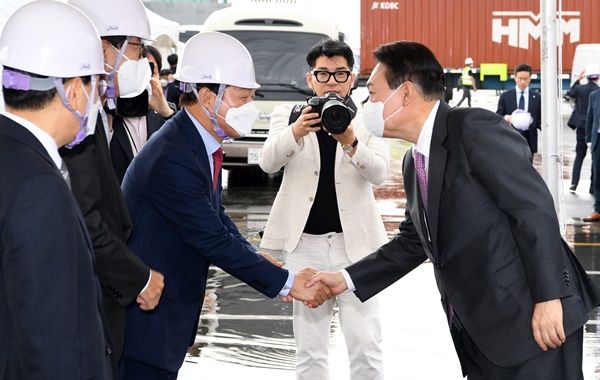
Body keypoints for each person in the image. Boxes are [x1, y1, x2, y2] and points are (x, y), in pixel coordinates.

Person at [307, 41, 600, 380]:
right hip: (481, 330)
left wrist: (551, 297)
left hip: (535, 317)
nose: (366, 105)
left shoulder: (472, 127)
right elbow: (414, 242)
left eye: (372, 93)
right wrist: (344, 279)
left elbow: (532, 210)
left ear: (404, 93)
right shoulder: (413, 160)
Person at [118, 31, 332, 379]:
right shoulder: (172, 157)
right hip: (146, 324)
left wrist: (253, 253)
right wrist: (287, 281)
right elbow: (211, 239)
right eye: (243, 97)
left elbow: (216, 218)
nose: (250, 107)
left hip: (163, 318)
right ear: (206, 97)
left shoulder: (196, 143)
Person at [259, 38, 390, 379]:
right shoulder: (288, 116)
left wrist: (351, 142)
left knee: (366, 346)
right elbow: (267, 163)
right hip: (305, 247)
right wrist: (295, 131)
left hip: (356, 249)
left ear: (352, 79)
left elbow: (380, 174)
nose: (331, 81)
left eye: (340, 74)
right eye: (323, 74)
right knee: (310, 352)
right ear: (310, 79)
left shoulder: (369, 120)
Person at [0, 1, 115, 378]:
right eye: (95, 84)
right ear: (72, 90)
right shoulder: (39, 188)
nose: (97, 98)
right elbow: (52, 334)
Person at [62, 0, 165, 363]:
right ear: (104, 46)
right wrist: (137, 277)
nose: (142, 61)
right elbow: (84, 218)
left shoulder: (102, 114)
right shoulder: (71, 122)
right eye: (136, 47)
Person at [109, 44, 175, 183]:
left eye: (151, 72)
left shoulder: (168, 113)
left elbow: (187, 154)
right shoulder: (110, 112)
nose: (145, 79)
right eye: (138, 72)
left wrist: (166, 113)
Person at [567, 63, 600, 192]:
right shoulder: (597, 92)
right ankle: (593, 185)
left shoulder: (580, 89)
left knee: (579, 155)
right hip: (594, 129)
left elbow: (570, 93)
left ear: (586, 76)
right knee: (595, 157)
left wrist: (578, 79)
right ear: (597, 77)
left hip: (581, 127)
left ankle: (574, 183)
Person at [497, 63, 542, 154]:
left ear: (530, 78)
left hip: (529, 139)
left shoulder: (537, 97)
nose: (522, 82)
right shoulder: (505, 96)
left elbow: (540, 119)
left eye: (525, 79)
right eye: (520, 78)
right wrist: (508, 118)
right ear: (515, 77)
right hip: (510, 137)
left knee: (528, 167)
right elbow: (498, 116)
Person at [583, 88, 600, 222]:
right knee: (597, 176)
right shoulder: (594, 95)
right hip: (597, 140)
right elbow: (590, 117)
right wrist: (589, 140)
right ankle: (598, 209)